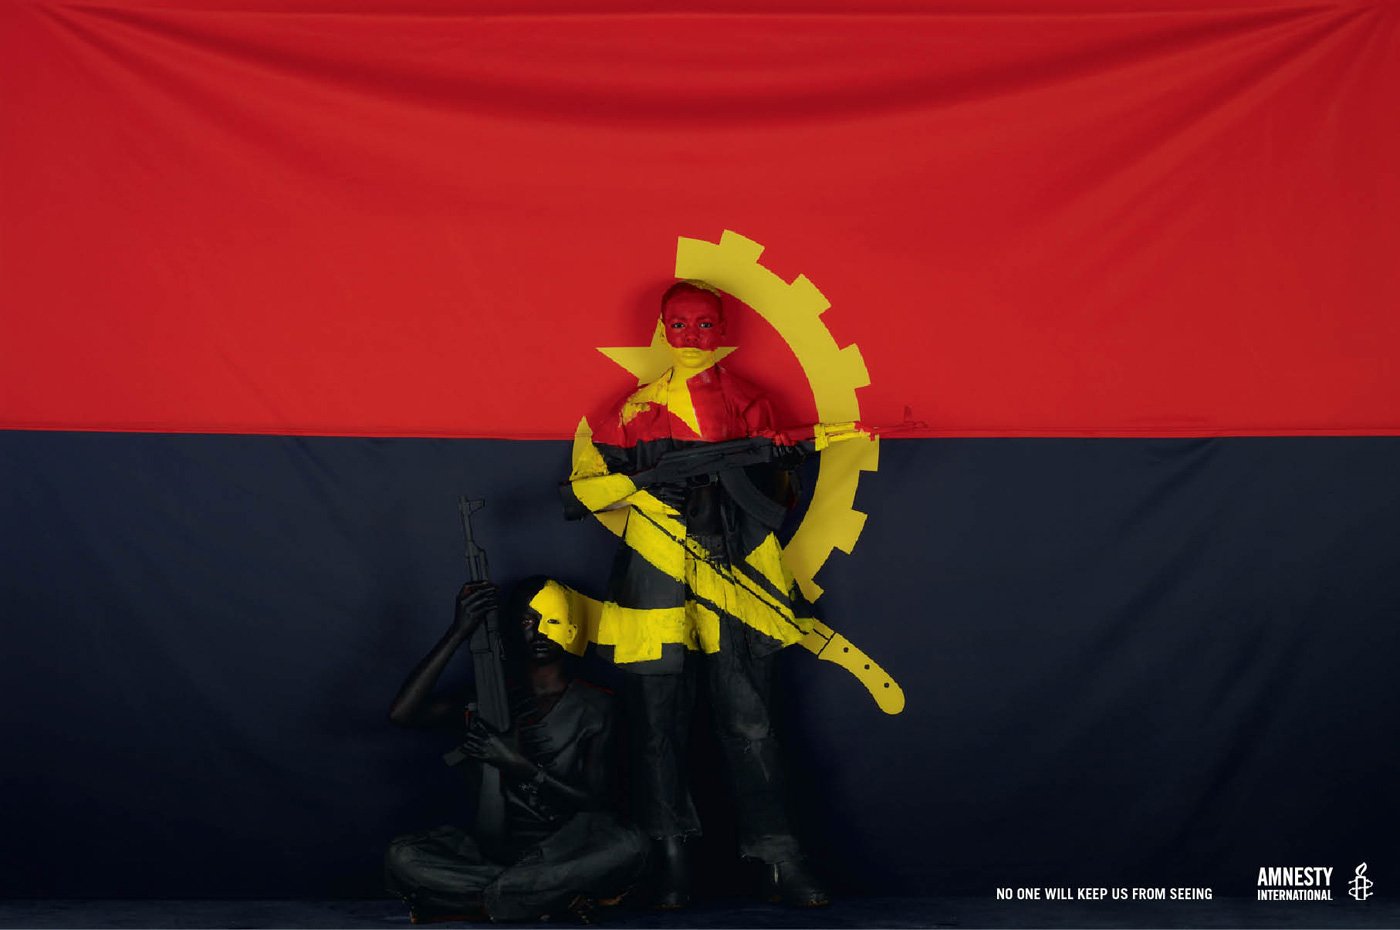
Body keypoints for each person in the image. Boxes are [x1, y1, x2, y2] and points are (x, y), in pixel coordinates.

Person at [563, 281, 829, 908]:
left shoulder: (752, 403)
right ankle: (669, 858)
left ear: (722, 329)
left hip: (736, 575)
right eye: (678, 325)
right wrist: (644, 487)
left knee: (752, 722)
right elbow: (583, 487)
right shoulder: (634, 412)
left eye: (704, 324)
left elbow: (779, 497)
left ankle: (777, 857)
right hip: (656, 571)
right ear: (662, 329)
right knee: (656, 726)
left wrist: (774, 465)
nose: (690, 337)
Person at [384, 578, 646, 923]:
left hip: (565, 850)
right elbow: (403, 714)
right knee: (402, 855)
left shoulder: (597, 706)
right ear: (510, 628)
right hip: (489, 853)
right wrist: (458, 632)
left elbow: (597, 803)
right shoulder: (489, 697)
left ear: (572, 628)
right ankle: (543, 897)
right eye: (527, 620)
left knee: (630, 844)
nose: (539, 631)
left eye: (552, 619)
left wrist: (520, 766)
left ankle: (477, 904)